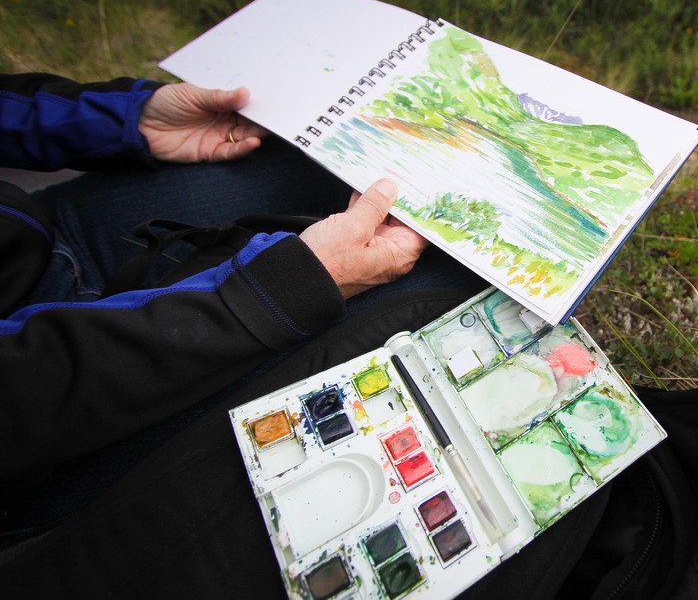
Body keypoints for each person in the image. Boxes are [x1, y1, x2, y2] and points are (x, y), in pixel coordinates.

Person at [0, 73, 484, 538]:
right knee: (455, 282)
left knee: (333, 158)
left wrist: (123, 118)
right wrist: (286, 289)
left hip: (35, 239)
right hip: (50, 436)